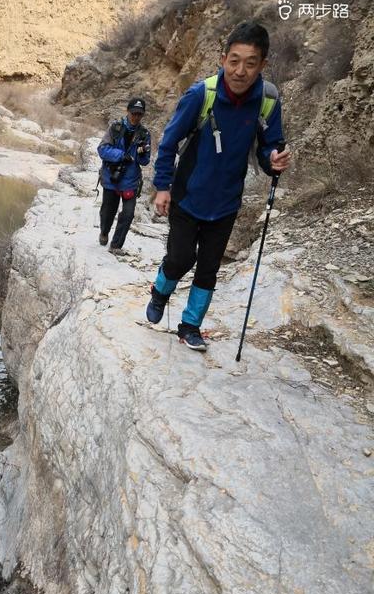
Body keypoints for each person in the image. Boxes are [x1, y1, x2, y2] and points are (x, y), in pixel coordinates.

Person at [146, 20, 292, 350]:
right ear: (223, 58)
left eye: (250, 63)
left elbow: (271, 144)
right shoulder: (202, 95)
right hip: (187, 196)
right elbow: (169, 142)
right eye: (234, 60)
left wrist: (274, 160)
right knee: (181, 258)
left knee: (209, 267)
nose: (240, 70)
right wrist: (163, 186)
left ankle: (190, 326)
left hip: (226, 202)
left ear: (263, 65)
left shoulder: (267, 101)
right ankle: (160, 291)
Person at [97, 97, 151, 255]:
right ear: (127, 111)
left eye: (139, 114)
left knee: (128, 214)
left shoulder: (144, 134)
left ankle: (116, 245)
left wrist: (143, 151)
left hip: (131, 181)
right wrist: (121, 155)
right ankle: (104, 232)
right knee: (108, 211)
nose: (136, 117)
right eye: (133, 113)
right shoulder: (115, 128)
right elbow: (102, 149)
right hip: (112, 177)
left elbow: (145, 161)